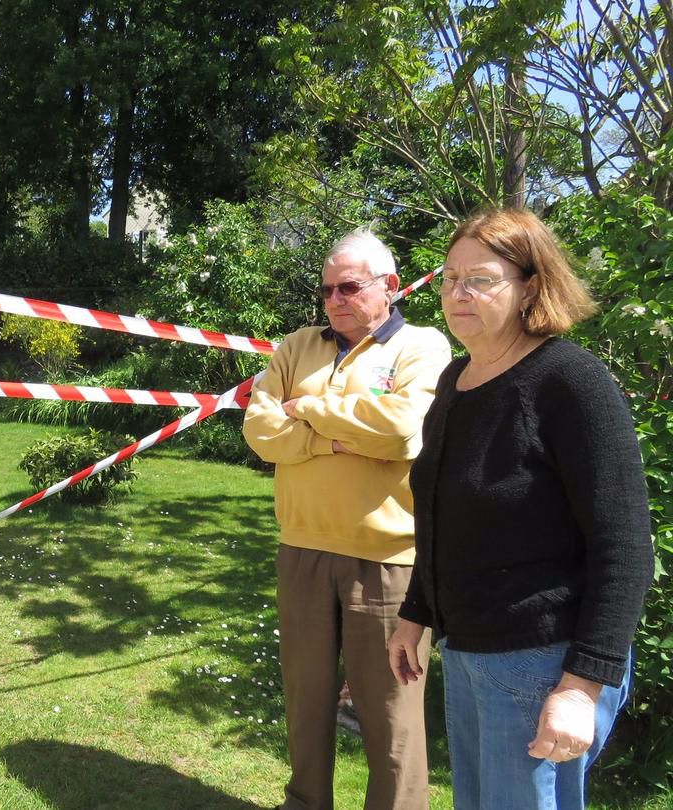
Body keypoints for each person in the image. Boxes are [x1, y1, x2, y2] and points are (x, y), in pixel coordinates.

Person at [387, 209, 654, 810]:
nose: (459, 293)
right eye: (449, 278)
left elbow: (626, 543)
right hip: (469, 648)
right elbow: (442, 513)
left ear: (531, 285)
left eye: (480, 279)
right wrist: (416, 612)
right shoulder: (457, 380)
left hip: (544, 660)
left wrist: (583, 686)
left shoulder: (569, 380)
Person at [243, 228, 452, 810]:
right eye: (327, 290)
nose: (334, 300)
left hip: (388, 558)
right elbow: (260, 432)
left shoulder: (423, 346)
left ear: (388, 287)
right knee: (306, 701)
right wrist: (333, 442)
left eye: (349, 288)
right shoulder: (295, 347)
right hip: (302, 546)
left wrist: (307, 411)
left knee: (391, 713)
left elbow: (402, 431)